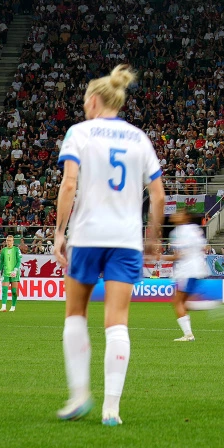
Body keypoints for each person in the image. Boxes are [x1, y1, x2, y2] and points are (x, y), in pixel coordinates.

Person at [53, 64, 163, 426]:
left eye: (86, 100)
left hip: (87, 235)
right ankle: (111, 409)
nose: (85, 106)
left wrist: (58, 232)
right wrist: (152, 240)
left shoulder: (79, 133)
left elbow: (69, 185)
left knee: (75, 314)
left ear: (96, 100)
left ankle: (79, 395)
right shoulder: (139, 138)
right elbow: (158, 196)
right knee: (117, 323)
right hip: (125, 240)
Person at [167, 208, 215, 341]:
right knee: (182, 302)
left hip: (187, 270)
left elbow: (179, 255)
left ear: (186, 217)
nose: (175, 215)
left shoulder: (179, 232)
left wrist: (159, 257)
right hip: (196, 268)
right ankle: (207, 307)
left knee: (177, 302)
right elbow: (205, 247)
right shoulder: (194, 229)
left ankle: (189, 333)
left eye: (179, 213)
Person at [0, 234, 22, 312]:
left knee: (14, 291)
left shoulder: (16, 249)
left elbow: (19, 261)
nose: (8, 242)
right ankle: (3, 307)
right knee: (4, 289)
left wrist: (15, 270)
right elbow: (1, 262)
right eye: (7, 240)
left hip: (14, 273)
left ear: (13, 241)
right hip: (6, 273)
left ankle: (13, 306)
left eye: (10, 240)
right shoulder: (3, 250)